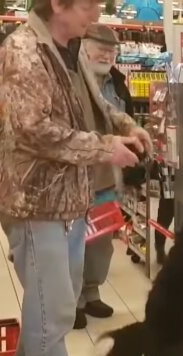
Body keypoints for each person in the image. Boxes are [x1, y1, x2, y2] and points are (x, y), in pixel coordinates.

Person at [0, 2, 151, 356]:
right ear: (58, 4)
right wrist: (104, 149)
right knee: (54, 315)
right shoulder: (23, 52)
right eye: (88, 6)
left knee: (49, 308)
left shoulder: (68, 47)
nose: (96, 15)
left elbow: (89, 103)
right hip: (36, 204)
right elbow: (33, 130)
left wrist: (126, 124)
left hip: (69, 202)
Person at [73, 24, 134, 329]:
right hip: (76, 177)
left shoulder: (117, 82)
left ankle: (91, 292)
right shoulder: (70, 77)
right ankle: (73, 301)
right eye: (101, 48)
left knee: (100, 241)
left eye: (112, 50)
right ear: (83, 46)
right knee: (73, 242)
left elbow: (120, 116)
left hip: (107, 177)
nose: (108, 55)